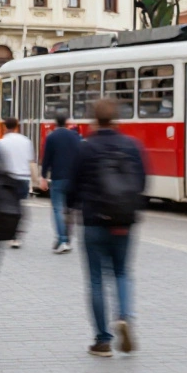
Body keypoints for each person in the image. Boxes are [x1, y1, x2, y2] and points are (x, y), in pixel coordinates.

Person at [71, 99, 146, 357]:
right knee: (122, 273)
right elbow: (142, 181)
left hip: (93, 221)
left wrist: (71, 212)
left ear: (94, 120)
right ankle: (124, 315)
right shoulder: (131, 146)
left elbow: (73, 186)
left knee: (95, 280)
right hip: (123, 222)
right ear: (117, 120)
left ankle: (102, 339)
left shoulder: (86, 148)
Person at [40, 111, 82, 254]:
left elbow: (46, 158)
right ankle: (64, 239)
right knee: (69, 210)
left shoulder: (51, 137)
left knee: (57, 209)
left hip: (58, 177)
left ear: (55, 122)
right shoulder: (75, 136)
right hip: (73, 178)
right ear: (67, 122)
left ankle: (63, 239)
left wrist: (43, 176)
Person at [0, 117, 34, 249]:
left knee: (8, 206)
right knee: (19, 205)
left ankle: (10, 234)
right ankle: (17, 235)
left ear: (5, 127)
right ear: (17, 126)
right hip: (24, 178)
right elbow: (31, 161)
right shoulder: (26, 141)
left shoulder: (1, 142)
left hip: (8, 178)